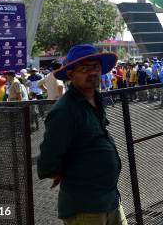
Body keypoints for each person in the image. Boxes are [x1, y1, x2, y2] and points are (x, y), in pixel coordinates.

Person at [37, 44, 125, 224]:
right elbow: (47, 161)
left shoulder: (97, 100)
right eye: (84, 68)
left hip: (110, 200)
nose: (92, 72)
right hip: (85, 207)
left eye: (96, 67)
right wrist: (59, 172)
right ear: (70, 74)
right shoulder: (64, 111)